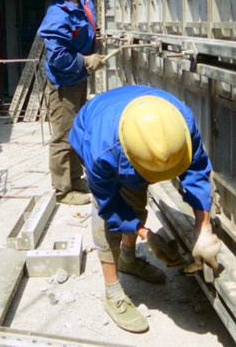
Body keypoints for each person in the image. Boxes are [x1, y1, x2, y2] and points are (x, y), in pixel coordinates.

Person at [69, 85, 221, 333]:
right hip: (96, 129)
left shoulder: (182, 121)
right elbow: (109, 205)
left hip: (126, 132)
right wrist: (146, 234)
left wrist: (203, 226)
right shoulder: (101, 151)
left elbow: (196, 170)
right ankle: (112, 292)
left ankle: (128, 261)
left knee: (136, 199)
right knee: (106, 219)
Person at [35, 0, 121, 205]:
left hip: (77, 79)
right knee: (63, 136)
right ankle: (63, 190)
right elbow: (59, 58)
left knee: (76, 130)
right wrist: (86, 61)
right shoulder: (56, 18)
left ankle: (74, 178)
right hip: (63, 85)